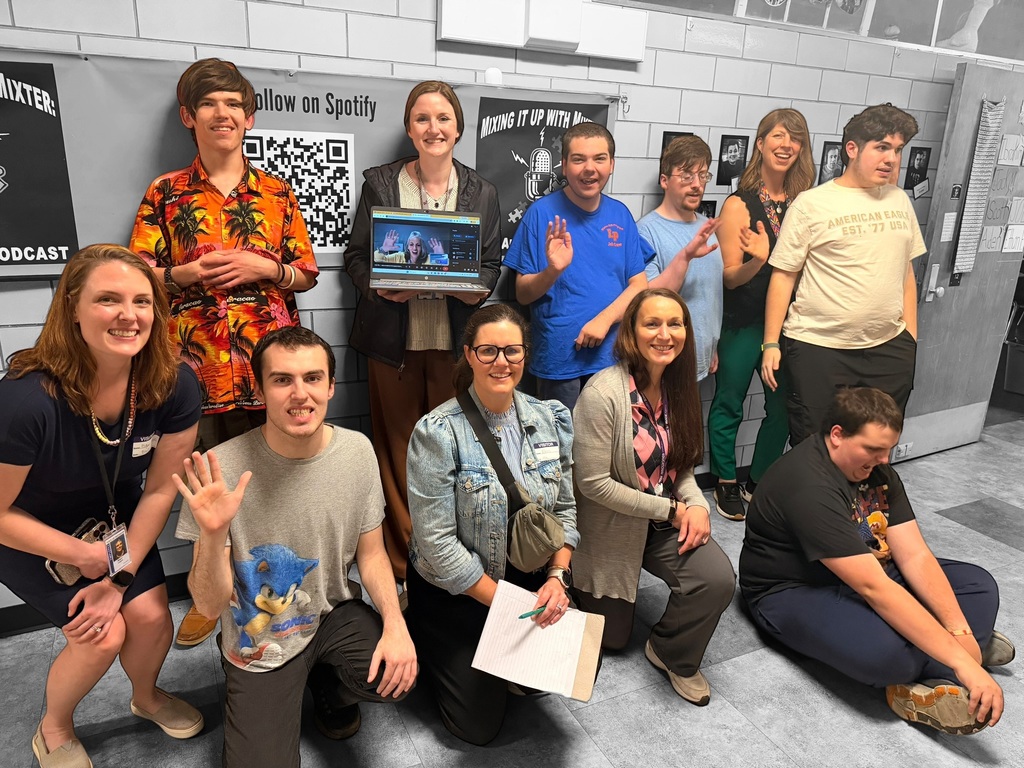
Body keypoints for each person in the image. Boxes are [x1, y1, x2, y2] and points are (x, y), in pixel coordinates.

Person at [130, 57, 319, 648]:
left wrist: (270, 268)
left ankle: (287, 597)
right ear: (189, 116)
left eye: (233, 104)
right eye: (209, 104)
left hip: (273, 375)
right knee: (209, 491)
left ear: (249, 115)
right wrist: (183, 272)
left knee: (281, 484)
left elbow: (307, 274)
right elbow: (139, 278)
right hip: (199, 373)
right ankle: (215, 599)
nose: (223, 114)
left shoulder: (277, 191)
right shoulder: (166, 192)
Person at [173, 326, 417, 768]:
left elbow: (372, 554)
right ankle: (282, 681)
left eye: (312, 378)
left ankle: (329, 685)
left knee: (397, 676)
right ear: (260, 388)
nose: (299, 393)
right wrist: (212, 536)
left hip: (333, 613)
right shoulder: (221, 467)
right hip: (261, 642)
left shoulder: (357, 451)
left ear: (331, 386)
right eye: (282, 379)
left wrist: (396, 626)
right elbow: (208, 607)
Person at [0, 244, 204, 768]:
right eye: (107, 299)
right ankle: (54, 727)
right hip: (29, 528)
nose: (128, 315)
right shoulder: (25, 401)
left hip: (116, 518)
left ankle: (147, 695)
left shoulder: (174, 384)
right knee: (101, 635)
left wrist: (116, 577)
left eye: (142, 301)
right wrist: (84, 557)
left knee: (153, 617)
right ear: (72, 307)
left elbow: (160, 490)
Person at [739, 387, 1013, 735]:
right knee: (887, 656)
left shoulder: (874, 469)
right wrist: (963, 661)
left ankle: (940, 654)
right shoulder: (808, 484)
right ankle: (940, 662)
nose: (884, 459)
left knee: (978, 586)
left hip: (865, 568)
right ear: (836, 435)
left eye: (888, 449)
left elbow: (914, 554)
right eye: (872, 448)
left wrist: (958, 631)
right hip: (792, 590)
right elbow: (875, 589)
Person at [344, 80, 501, 581]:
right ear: (409, 129)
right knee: (397, 449)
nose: (433, 128)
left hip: (454, 345)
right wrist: (384, 287)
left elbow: (491, 265)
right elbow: (356, 259)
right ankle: (404, 564)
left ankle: (448, 554)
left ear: (458, 128)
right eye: (422, 119)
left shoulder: (482, 190)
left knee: (449, 447)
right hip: (394, 343)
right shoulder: (382, 184)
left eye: (443, 119)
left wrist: (471, 289)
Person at [405, 304, 578, 745]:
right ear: (468, 355)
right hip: (457, 591)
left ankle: (501, 651)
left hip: (525, 578)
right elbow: (438, 545)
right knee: (477, 727)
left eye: (512, 351)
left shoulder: (549, 418)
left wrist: (557, 579)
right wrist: (505, 606)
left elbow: (565, 510)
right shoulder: (438, 432)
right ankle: (422, 631)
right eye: (488, 351)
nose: (501, 361)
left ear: (524, 356)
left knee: (564, 669)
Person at [572, 289, 735, 706]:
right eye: (652, 324)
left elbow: (680, 467)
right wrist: (674, 509)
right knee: (612, 639)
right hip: (610, 526)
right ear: (631, 332)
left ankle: (671, 652)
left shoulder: (680, 388)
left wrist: (696, 503)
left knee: (716, 580)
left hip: (663, 519)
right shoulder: (603, 393)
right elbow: (593, 484)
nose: (665, 334)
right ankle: (569, 577)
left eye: (675, 324)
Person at [761, 104, 925, 445]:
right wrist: (772, 343)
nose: (892, 159)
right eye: (881, 147)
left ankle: (863, 501)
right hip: (819, 348)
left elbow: (905, 272)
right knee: (818, 446)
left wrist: (909, 337)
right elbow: (783, 277)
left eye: (897, 150)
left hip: (888, 348)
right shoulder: (811, 204)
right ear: (852, 149)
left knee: (875, 443)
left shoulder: (899, 200)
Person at [708, 108, 816, 521]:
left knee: (784, 408)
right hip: (743, 324)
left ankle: (760, 480)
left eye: (795, 139)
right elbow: (731, 279)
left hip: (791, 326)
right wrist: (759, 260)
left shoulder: (807, 203)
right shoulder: (739, 204)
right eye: (778, 136)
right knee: (729, 404)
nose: (786, 145)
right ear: (760, 143)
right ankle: (725, 482)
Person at [503, 121, 651, 411]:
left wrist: (604, 320)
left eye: (599, 158)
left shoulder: (620, 215)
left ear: (612, 164)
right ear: (564, 164)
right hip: (559, 360)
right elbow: (522, 294)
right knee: (559, 449)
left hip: (613, 358)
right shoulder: (541, 214)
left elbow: (639, 285)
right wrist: (552, 271)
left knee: (605, 447)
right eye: (579, 159)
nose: (589, 168)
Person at [637, 135, 723, 384]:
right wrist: (685, 257)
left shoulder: (707, 227)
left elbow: (710, 296)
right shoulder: (646, 231)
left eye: (703, 175)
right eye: (686, 175)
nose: (697, 184)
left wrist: (711, 345)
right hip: (664, 361)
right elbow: (648, 300)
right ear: (664, 180)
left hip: (700, 357)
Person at [373, 229, 446, 265]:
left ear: (421, 247)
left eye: (418, 245)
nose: (414, 248)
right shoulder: (399, 257)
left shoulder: (429, 258)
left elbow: (446, 269)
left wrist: (441, 257)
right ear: (407, 246)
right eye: (411, 244)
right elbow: (377, 261)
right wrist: (383, 249)